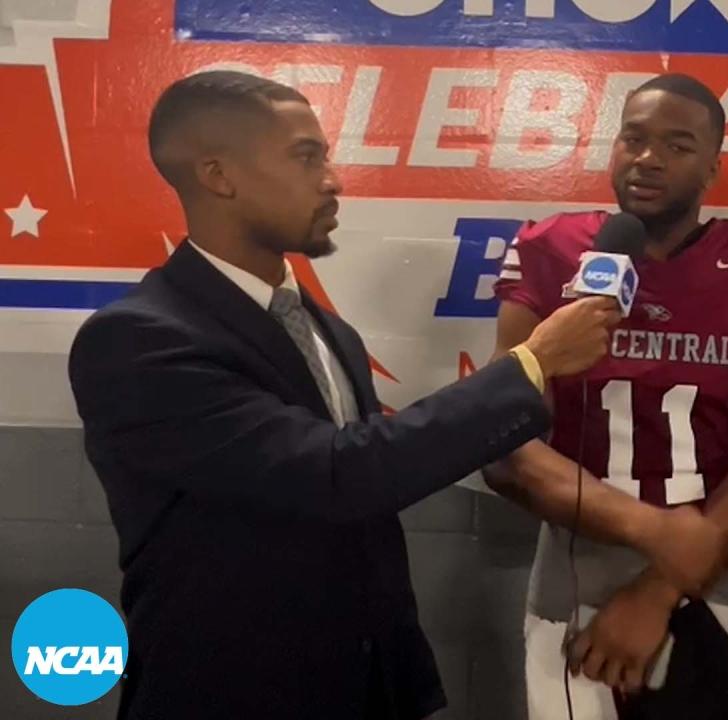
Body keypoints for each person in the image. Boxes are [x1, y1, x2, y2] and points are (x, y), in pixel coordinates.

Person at [67, 70, 618, 720]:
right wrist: (533, 363)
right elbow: (337, 475)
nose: (332, 181)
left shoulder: (328, 330)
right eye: (306, 158)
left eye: (325, 157)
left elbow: (366, 519)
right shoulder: (139, 342)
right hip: (231, 696)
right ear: (219, 176)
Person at [483, 73, 728, 717]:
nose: (648, 158)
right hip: (577, 568)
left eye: (677, 145)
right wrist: (657, 534)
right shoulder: (549, 251)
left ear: (712, 168)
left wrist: (663, 585)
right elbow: (506, 441)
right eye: (633, 138)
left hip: (711, 569)